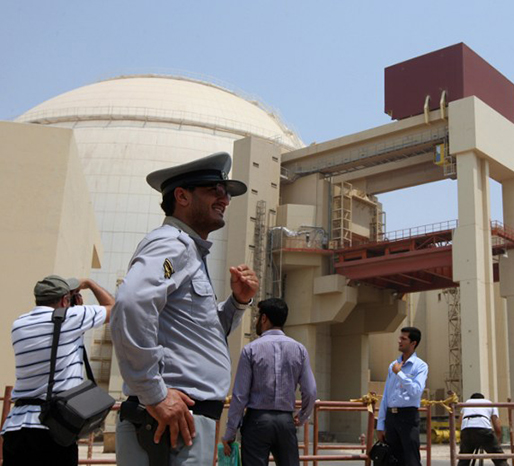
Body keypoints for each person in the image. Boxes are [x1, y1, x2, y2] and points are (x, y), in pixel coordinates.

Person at [110, 152, 259, 466]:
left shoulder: (188, 252)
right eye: (214, 190)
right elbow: (133, 301)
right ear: (182, 196)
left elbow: (200, 336)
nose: (225, 199)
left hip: (183, 423)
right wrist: (155, 394)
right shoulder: (172, 247)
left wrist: (237, 302)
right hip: (168, 423)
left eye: (227, 193)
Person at [1, 275, 114, 466]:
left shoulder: (19, 324)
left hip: (16, 426)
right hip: (54, 429)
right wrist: (89, 283)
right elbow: (116, 309)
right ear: (64, 300)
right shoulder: (71, 318)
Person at [221, 298, 317, 466]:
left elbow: (240, 396)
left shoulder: (250, 349)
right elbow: (310, 391)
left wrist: (230, 432)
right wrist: (301, 417)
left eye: (258, 317)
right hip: (286, 422)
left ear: (264, 318)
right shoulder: (299, 349)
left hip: (257, 421)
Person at [376, 327, 428, 466]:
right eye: (400, 338)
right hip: (391, 417)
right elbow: (386, 395)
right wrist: (381, 424)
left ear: (413, 343)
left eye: (404, 339)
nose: (399, 341)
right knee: (391, 460)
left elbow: (416, 391)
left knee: (411, 459)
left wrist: (400, 374)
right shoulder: (393, 365)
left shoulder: (420, 366)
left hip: (408, 418)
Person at [458, 393, 508, 466]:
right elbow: (497, 426)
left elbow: (460, 422)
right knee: (499, 458)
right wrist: (497, 442)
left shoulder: (467, 403)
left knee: (464, 459)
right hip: (483, 428)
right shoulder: (489, 403)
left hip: (467, 429)